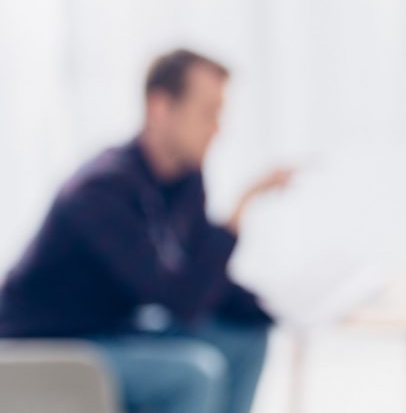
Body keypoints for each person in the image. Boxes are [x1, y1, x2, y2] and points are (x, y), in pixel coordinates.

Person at [0, 49, 291, 413]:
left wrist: (274, 307)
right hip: (45, 345)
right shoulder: (100, 190)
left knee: (247, 339)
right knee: (194, 375)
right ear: (160, 107)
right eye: (208, 112)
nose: (218, 128)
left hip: (114, 329)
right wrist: (239, 210)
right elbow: (179, 298)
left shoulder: (184, 181)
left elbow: (203, 282)